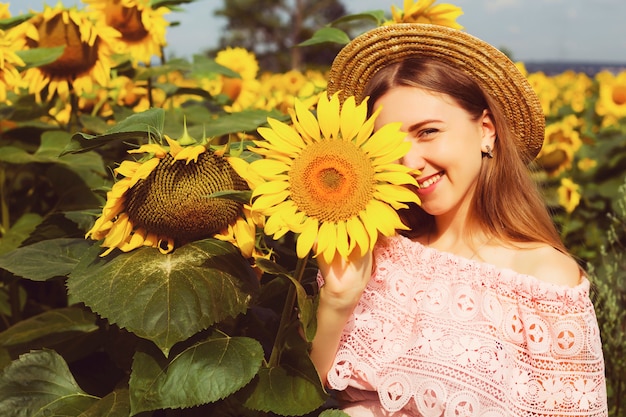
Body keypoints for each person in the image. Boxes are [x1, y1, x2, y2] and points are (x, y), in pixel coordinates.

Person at [310, 23, 608, 416]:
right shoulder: (371, 250)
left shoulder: (543, 281)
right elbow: (299, 399)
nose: (409, 162)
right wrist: (336, 302)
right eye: (389, 144)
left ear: (486, 130)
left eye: (428, 132)